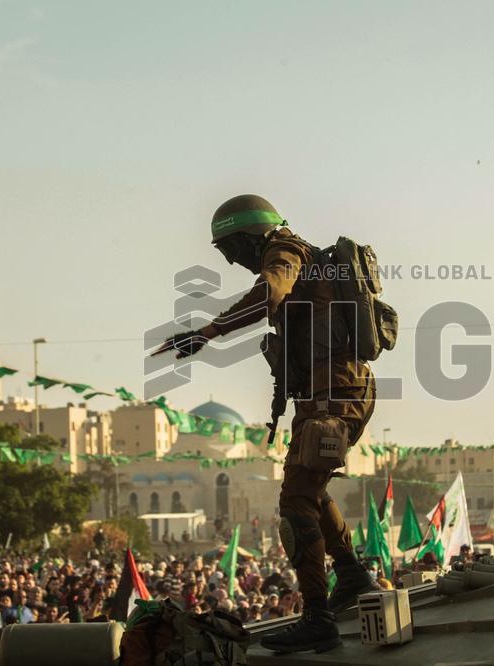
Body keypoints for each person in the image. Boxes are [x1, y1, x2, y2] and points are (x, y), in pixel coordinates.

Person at [154, 194, 377, 653]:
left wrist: (209, 332)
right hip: (331, 391)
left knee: (295, 502)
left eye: (233, 249)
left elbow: (270, 290)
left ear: (248, 236)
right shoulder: (305, 254)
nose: (234, 260)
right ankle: (351, 573)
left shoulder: (285, 250)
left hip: (332, 393)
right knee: (309, 492)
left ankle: (318, 618)